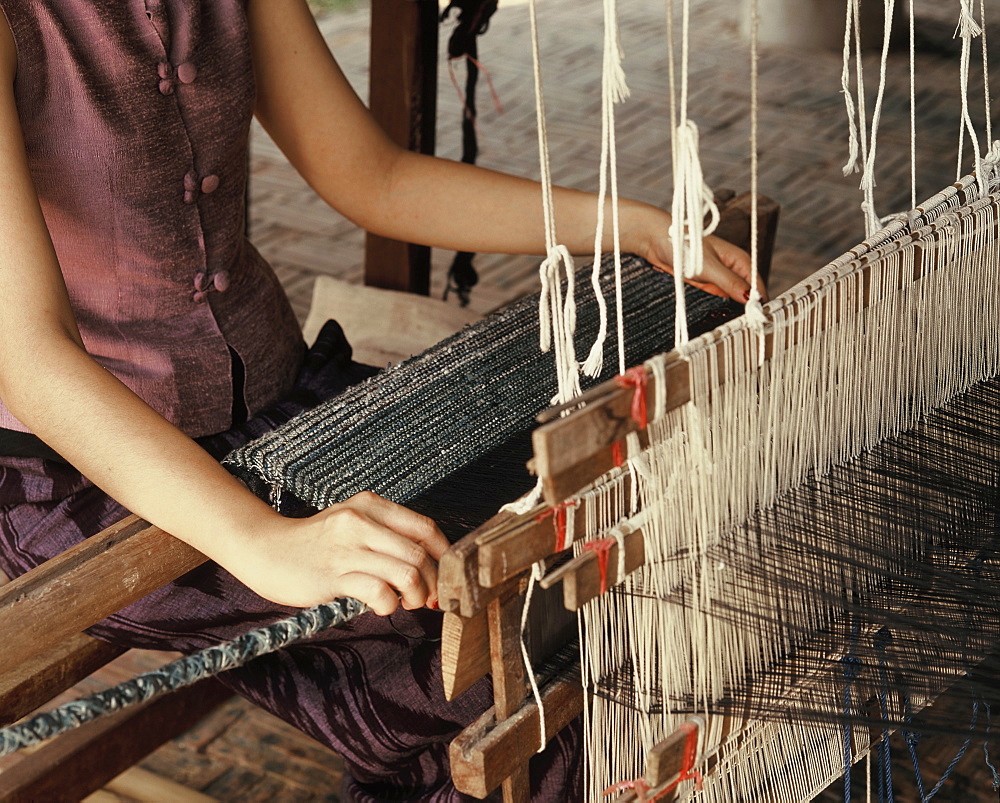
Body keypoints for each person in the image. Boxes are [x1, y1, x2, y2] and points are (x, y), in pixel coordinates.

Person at [0, 1, 757, 799]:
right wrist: (268, 544)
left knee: (558, 574)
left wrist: (623, 226)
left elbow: (371, 175)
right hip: (83, 481)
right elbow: (30, 357)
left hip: (288, 420)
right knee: (492, 679)